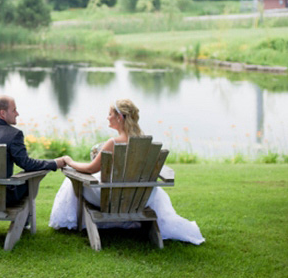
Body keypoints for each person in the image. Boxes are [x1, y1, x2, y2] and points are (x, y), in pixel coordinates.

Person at [49, 98, 205, 245]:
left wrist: (69, 161)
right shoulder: (144, 141)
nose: (107, 117)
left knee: (72, 181)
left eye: (110, 114)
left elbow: (90, 169)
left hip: (110, 198)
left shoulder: (113, 142)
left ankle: (72, 223)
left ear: (119, 117)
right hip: (140, 198)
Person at [0, 95, 65, 231]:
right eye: (14, 110)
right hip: (3, 197)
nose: (17, 113)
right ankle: (24, 222)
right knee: (30, 181)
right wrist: (55, 163)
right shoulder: (14, 134)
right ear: (3, 113)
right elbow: (27, 164)